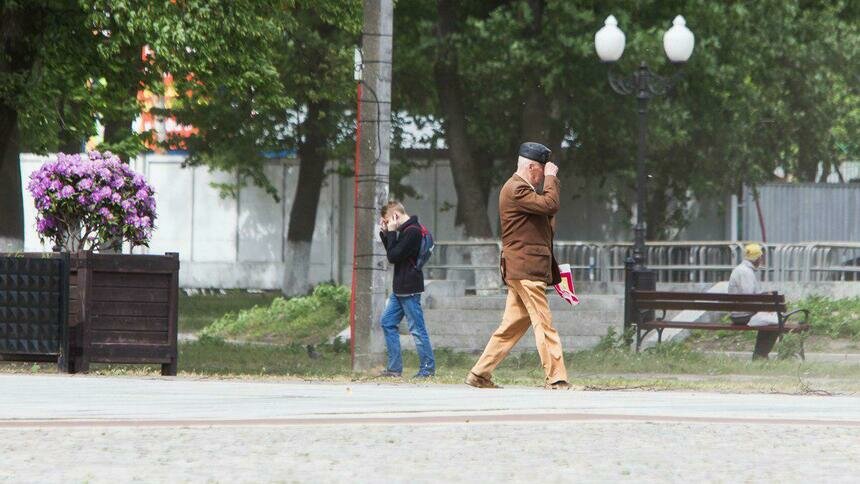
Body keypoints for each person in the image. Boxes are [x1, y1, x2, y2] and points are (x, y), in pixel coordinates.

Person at [465, 142, 570, 390]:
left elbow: (547, 216)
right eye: (542, 171)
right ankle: (557, 378)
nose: (543, 176)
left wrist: (549, 186)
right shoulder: (516, 189)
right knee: (544, 323)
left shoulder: (524, 192)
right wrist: (552, 179)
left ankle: (480, 373)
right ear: (532, 167)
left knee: (512, 325)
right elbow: (550, 205)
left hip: (524, 267)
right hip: (526, 268)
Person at [377, 200, 436, 378]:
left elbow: (393, 257)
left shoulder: (413, 232)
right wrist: (386, 234)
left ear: (395, 216)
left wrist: (392, 232)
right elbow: (393, 252)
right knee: (387, 322)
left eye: (387, 221)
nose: (386, 224)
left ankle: (427, 369)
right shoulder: (405, 231)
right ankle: (395, 369)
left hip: (409, 287)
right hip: (400, 288)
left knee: (417, 329)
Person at [728, 243, 779, 360]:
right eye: (761, 257)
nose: (761, 260)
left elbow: (749, 296)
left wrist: (763, 296)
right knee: (775, 322)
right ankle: (760, 356)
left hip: (739, 313)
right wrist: (765, 306)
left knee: (769, 320)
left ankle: (760, 354)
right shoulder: (746, 272)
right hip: (743, 315)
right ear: (757, 258)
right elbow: (749, 298)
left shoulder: (741, 269)